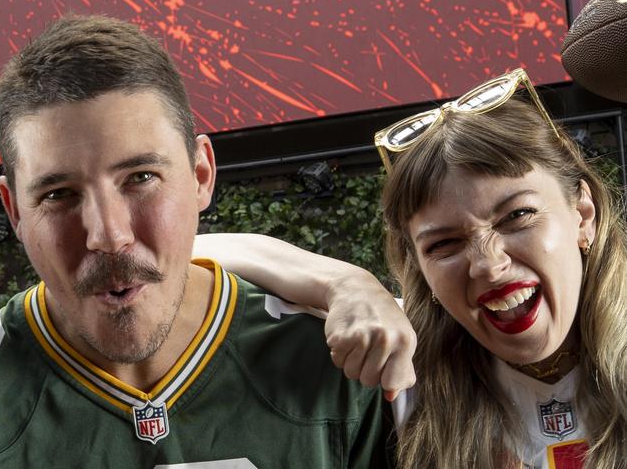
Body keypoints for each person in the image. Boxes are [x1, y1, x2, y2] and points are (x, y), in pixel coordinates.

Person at [0, 14, 402, 468]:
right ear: (15, 210)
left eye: (141, 177)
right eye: (58, 195)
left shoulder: (336, 363)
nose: (109, 235)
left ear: (201, 174)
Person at [196, 68, 627, 468]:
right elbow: (187, 252)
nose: (488, 265)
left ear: (582, 213)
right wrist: (347, 283)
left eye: (517, 216)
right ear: (420, 267)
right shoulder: (405, 365)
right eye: (444, 244)